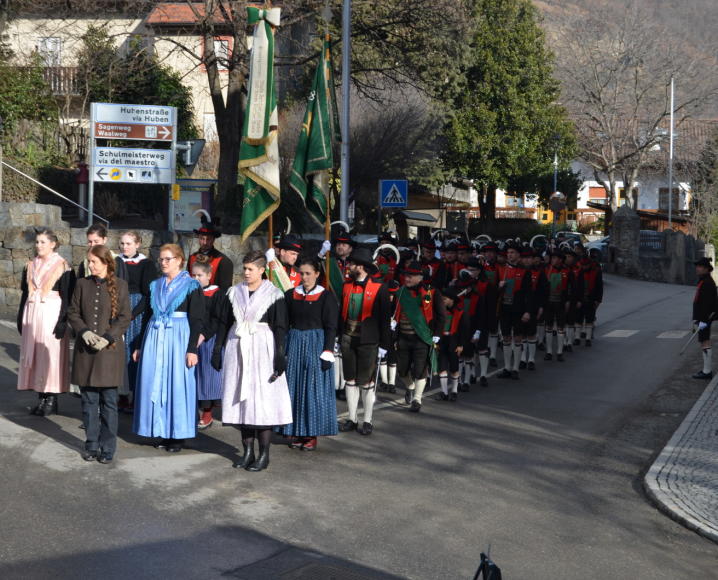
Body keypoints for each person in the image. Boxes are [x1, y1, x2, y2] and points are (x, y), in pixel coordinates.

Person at [214, 251, 292, 472]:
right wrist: (218, 349)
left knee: (262, 402)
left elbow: (280, 326)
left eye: (250, 269)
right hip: (237, 347)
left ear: (261, 270)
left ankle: (264, 454)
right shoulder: (234, 292)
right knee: (242, 402)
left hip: (262, 348)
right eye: (245, 268)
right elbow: (223, 322)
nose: (246, 273)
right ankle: (247, 451)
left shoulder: (273, 293)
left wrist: (279, 354)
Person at [133, 244, 204, 453]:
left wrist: (192, 349)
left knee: (176, 383)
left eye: (168, 259)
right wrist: (138, 345)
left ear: (179, 260)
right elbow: (146, 315)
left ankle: (177, 435)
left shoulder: (191, 285)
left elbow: (197, 319)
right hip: (155, 336)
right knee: (155, 380)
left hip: (178, 338)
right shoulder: (156, 285)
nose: (163, 263)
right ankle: (160, 428)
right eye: (161, 260)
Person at [67, 245, 131, 463]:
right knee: (88, 401)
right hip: (86, 352)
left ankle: (108, 447)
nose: (90, 265)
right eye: (88, 261)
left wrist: (108, 337)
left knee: (110, 403)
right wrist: (83, 331)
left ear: (106, 263)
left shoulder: (121, 286)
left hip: (109, 353)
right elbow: (73, 311)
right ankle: (91, 444)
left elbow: (124, 317)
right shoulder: (81, 284)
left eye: (94, 261)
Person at [280, 257, 339, 451]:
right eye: (302, 273)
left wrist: (328, 350)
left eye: (308, 273)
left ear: (317, 274)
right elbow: (284, 322)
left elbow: (331, 326)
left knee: (312, 389)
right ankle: (296, 430)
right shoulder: (291, 295)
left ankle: (311, 433)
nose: (304, 277)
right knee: (294, 387)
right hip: (295, 342)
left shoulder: (326, 296)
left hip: (316, 344)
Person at [17, 229, 76, 416]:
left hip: (51, 312)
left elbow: (68, 296)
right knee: (34, 355)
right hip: (33, 312)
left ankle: (52, 398)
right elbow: (25, 293)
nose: (38, 245)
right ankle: (41, 397)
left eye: (43, 242)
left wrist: (63, 320)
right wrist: (20, 317)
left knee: (50, 355)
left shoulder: (62, 266)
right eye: (37, 242)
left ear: (53, 244)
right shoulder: (30, 265)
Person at [338, 247, 391, 435]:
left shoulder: (380, 288)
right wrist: (338, 335)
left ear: (361, 267)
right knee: (350, 380)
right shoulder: (345, 286)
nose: (349, 266)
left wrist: (385, 345)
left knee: (366, 382)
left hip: (369, 340)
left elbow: (385, 320)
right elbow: (340, 314)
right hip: (348, 338)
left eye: (352, 263)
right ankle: (352, 419)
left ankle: (367, 420)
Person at [118, 230, 157, 411]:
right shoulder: (117, 261)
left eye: (128, 243)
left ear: (137, 244)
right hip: (118, 306)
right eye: (122, 243)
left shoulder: (146, 264)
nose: (125, 247)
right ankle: (122, 394)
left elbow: (148, 293)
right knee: (119, 352)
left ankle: (135, 394)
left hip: (136, 309)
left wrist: (133, 313)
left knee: (134, 351)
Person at [191, 260, 224, 429]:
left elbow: (217, 318)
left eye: (200, 275)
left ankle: (207, 413)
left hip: (209, 340)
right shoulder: (190, 291)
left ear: (209, 276)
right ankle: (192, 412)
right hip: (192, 337)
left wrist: (204, 335)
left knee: (207, 377)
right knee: (193, 377)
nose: (196, 278)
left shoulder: (217, 294)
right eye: (193, 275)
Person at [496, 245, 532, 379]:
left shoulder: (525, 271)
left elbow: (529, 293)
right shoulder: (501, 269)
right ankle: (507, 367)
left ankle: (515, 368)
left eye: (513, 252)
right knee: (505, 337)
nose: (510, 255)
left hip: (518, 309)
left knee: (517, 337)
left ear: (518, 255)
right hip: (504, 308)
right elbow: (494, 291)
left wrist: (528, 311)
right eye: (508, 253)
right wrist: (499, 288)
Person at [436, 287, 470, 401]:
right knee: (442, 367)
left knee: (454, 368)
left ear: (452, 300)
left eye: (445, 299)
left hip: (454, 341)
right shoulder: (439, 311)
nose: (443, 300)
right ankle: (444, 392)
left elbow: (464, 331)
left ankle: (454, 391)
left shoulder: (461, 313)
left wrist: (461, 345)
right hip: (442, 341)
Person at [187, 220, 234, 290]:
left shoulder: (224, 261)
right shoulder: (192, 258)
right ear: (198, 238)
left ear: (213, 240)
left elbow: (225, 290)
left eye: (208, 239)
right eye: (202, 238)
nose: (205, 242)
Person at [543, 251, 571, 362]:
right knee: (548, 326)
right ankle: (549, 351)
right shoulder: (546, 270)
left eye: (555, 258)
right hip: (549, 302)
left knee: (561, 327)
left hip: (561, 302)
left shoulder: (567, 271)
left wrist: (568, 300)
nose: (552, 260)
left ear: (560, 260)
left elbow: (571, 287)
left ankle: (559, 352)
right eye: (552, 258)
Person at [692, 257, 717, 380]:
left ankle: (707, 371)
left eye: (700, 266)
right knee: (703, 341)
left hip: (705, 318)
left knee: (705, 341)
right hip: (702, 318)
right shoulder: (703, 280)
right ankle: (706, 370)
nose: (697, 268)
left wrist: (703, 320)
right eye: (697, 266)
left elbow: (708, 304)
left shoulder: (707, 282)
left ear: (706, 269)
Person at [577, 256, 603, 346]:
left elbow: (600, 287)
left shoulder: (596, 272)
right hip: (580, 298)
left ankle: (588, 338)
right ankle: (577, 338)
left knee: (589, 319)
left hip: (591, 299)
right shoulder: (579, 272)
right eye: (583, 265)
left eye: (586, 265)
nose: (584, 267)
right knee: (578, 319)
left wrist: (598, 300)